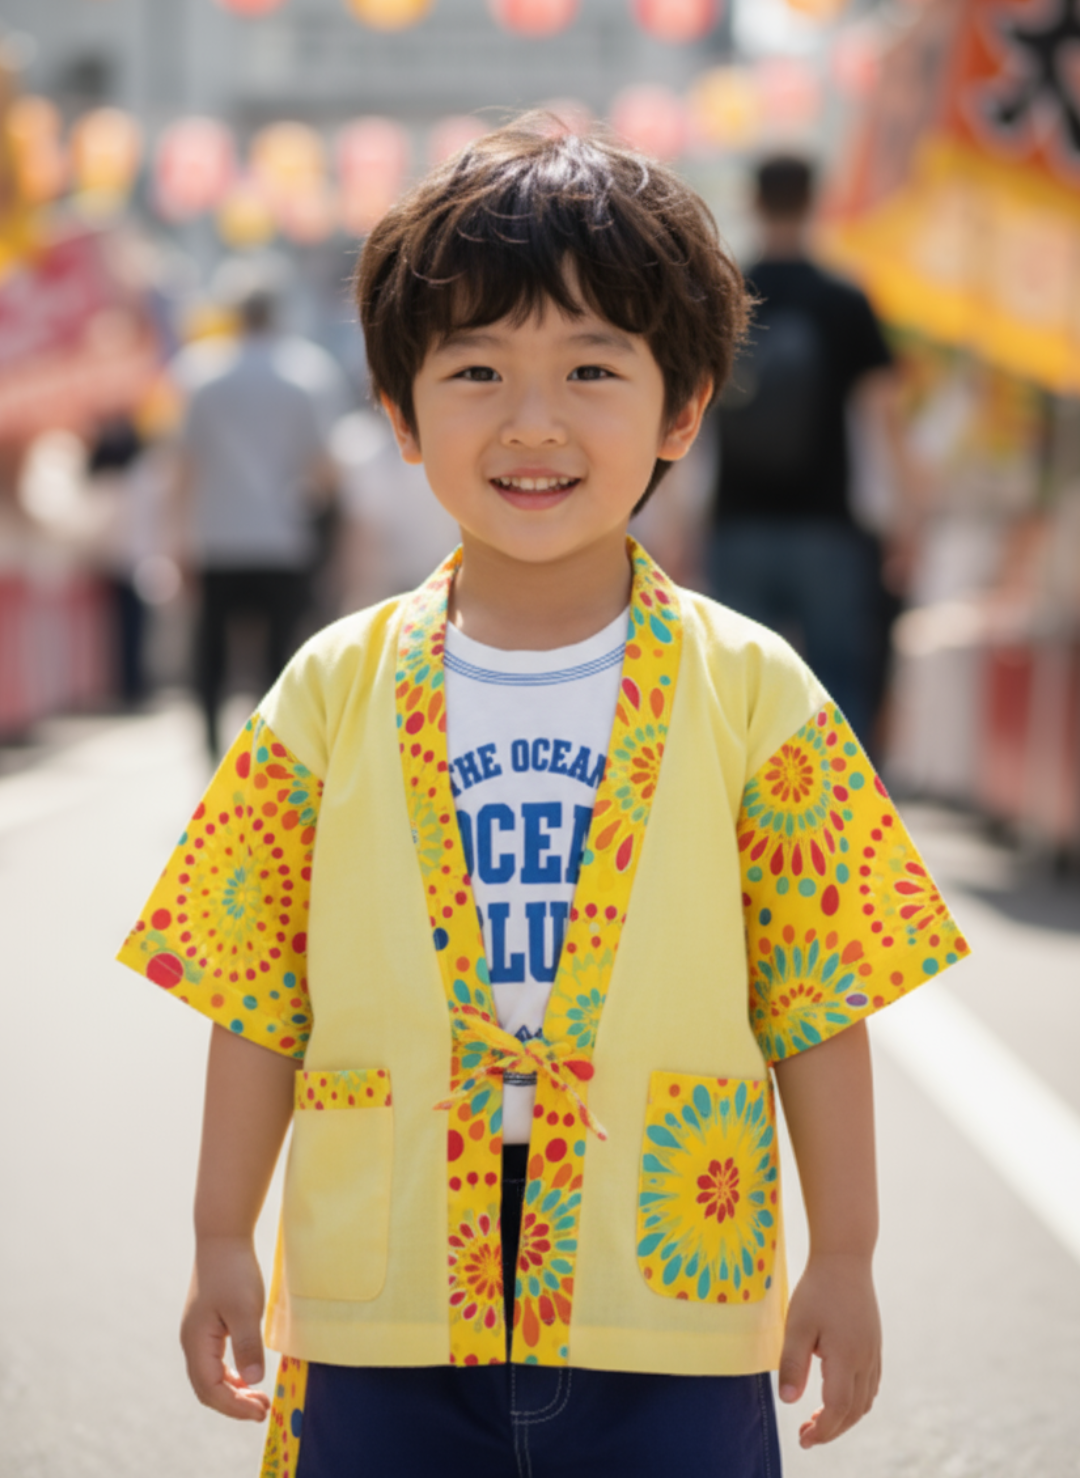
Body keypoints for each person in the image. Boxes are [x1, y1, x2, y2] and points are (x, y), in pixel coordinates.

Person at [118, 119, 970, 1478]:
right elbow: (254, 991)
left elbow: (820, 998)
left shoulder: (756, 690)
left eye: (592, 368)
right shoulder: (329, 691)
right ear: (397, 411)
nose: (532, 422)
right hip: (382, 1291)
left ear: (683, 409)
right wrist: (223, 1233)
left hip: (666, 1295)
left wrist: (846, 1253)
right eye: (473, 371)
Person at [709, 154, 910, 746]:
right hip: (828, 521)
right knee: (837, 678)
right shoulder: (844, 300)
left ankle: (748, 823)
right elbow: (882, 416)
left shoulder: (725, 295)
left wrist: (668, 516)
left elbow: (687, 417)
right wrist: (905, 511)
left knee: (741, 687)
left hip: (736, 518)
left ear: (754, 202)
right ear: (814, 201)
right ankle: (842, 824)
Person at [175, 269, 343, 755]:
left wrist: (176, 540)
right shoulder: (307, 373)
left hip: (216, 534)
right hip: (282, 536)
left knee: (212, 653)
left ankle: (211, 752)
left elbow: (182, 468)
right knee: (281, 653)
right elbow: (325, 469)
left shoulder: (199, 374)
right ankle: (275, 753)